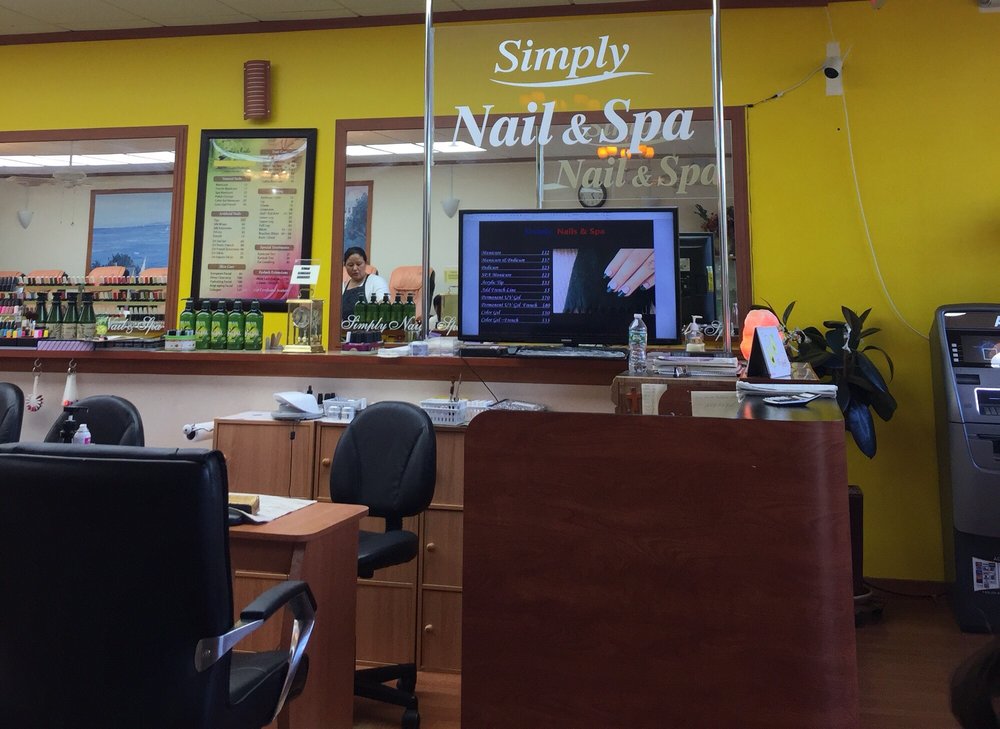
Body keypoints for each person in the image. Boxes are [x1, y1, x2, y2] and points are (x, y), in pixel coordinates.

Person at [342, 246, 389, 317]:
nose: (355, 268)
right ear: (345, 266)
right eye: (350, 265)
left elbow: (384, 304)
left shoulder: (376, 281)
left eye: (359, 264)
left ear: (365, 263)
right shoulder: (342, 286)